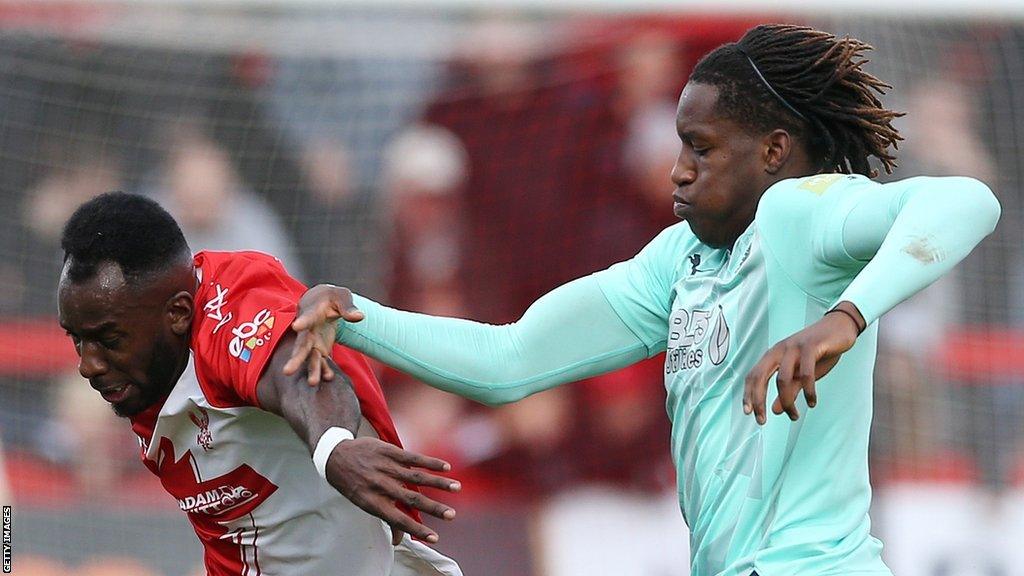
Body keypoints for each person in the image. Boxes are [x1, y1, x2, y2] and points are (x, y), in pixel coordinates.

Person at [285, 24, 1001, 576]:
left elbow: (965, 201)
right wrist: (356, 315)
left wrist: (844, 317)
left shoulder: (802, 214)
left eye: (702, 148)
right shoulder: (677, 261)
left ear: (775, 151)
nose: (678, 169)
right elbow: (509, 358)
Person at [56, 193, 463, 576]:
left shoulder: (231, 310)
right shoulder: (144, 367)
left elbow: (297, 375)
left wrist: (332, 446)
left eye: (109, 340)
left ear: (179, 313)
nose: (87, 366)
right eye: (77, 339)